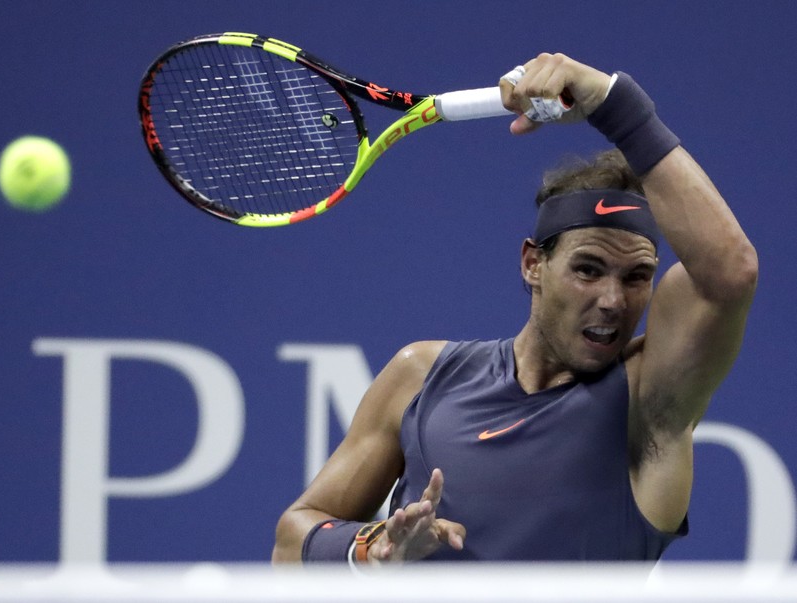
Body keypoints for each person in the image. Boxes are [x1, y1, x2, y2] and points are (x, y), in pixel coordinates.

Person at [271, 53, 758, 564]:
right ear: (533, 264)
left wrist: (614, 104)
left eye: (637, 277)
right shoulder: (422, 375)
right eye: (588, 270)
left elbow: (730, 273)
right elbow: (291, 543)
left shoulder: (650, 400)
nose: (613, 301)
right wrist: (372, 549)